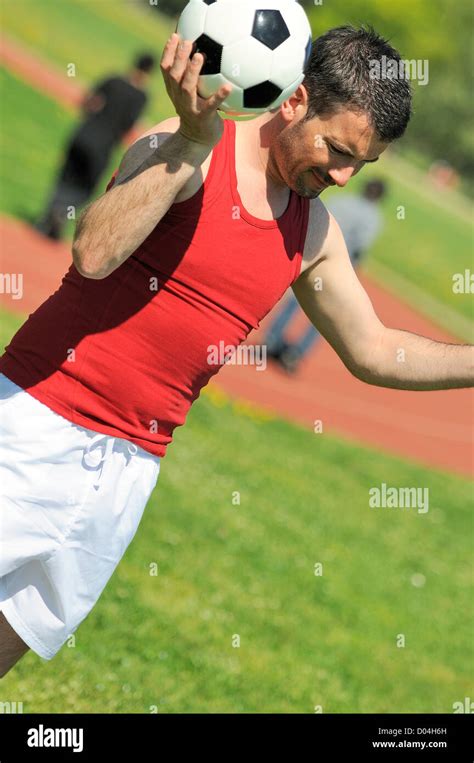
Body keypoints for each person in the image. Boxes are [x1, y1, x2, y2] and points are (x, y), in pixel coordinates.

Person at [1, 26, 472, 676]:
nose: (342, 175)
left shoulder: (313, 230)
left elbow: (376, 350)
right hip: (36, 423)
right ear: (296, 100)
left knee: (13, 639)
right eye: (337, 150)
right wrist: (191, 143)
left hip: (130, 471)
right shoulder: (187, 145)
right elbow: (93, 251)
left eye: (360, 165)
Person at [265, 179, 387, 372]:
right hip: (338, 270)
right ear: (380, 197)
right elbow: (360, 248)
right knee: (325, 314)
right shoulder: (373, 217)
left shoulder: (343, 200)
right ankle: (294, 354)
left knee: (296, 301)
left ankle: (271, 340)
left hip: (314, 256)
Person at [35, 52, 156, 240]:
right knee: (86, 188)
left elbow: (88, 101)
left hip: (82, 135)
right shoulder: (141, 97)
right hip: (102, 147)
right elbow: (128, 126)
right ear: (149, 72)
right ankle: (61, 214)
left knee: (65, 176)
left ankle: (46, 220)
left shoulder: (113, 80)